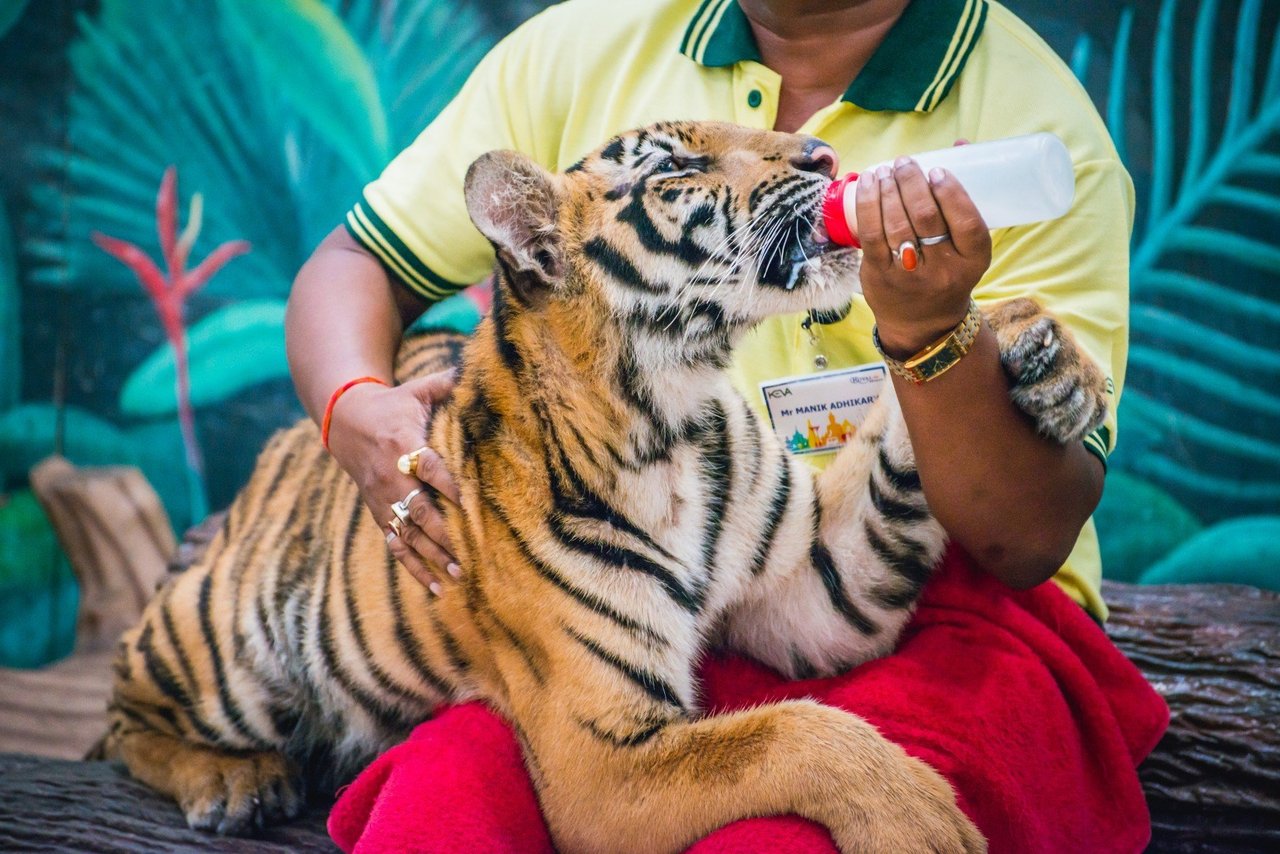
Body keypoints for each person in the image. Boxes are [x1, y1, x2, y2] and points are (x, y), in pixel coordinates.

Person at [288, 1, 1167, 850]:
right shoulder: (581, 42)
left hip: (958, 611)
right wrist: (352, 407)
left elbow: (1023, 538)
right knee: (441, 814)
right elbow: (356, 259)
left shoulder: (1038, 120)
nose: (812, 158)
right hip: (644, 600)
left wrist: (934, 333)